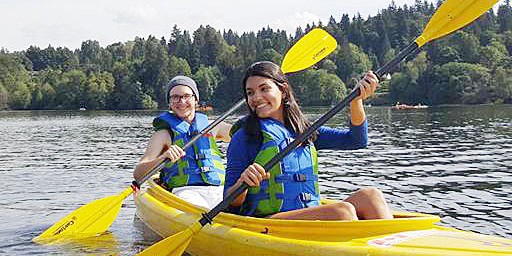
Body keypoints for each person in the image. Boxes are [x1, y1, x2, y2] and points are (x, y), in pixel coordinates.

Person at [224, 61, 392, 220]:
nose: (256, 97)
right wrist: (242, 184)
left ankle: (392, 248)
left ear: (283, 91)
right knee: (342, 212)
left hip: (306, 214)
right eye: (250, 93)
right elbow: (229, 202)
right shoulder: (244, 137)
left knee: (371, 197)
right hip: (268, 222)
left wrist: (356, 101)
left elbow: (356, 140)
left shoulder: (305, 131)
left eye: (264, 89)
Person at [134, 75, 231, 209]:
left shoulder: (213, 126)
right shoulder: (163, 135)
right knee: (202, 210)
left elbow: (241, 133)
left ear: (195, 100)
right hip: (185, 192)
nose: (181, 101)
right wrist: (163, 158)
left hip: (219, 189)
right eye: (175, 97)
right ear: (169, 102)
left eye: (187, 96)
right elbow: (138, 173)